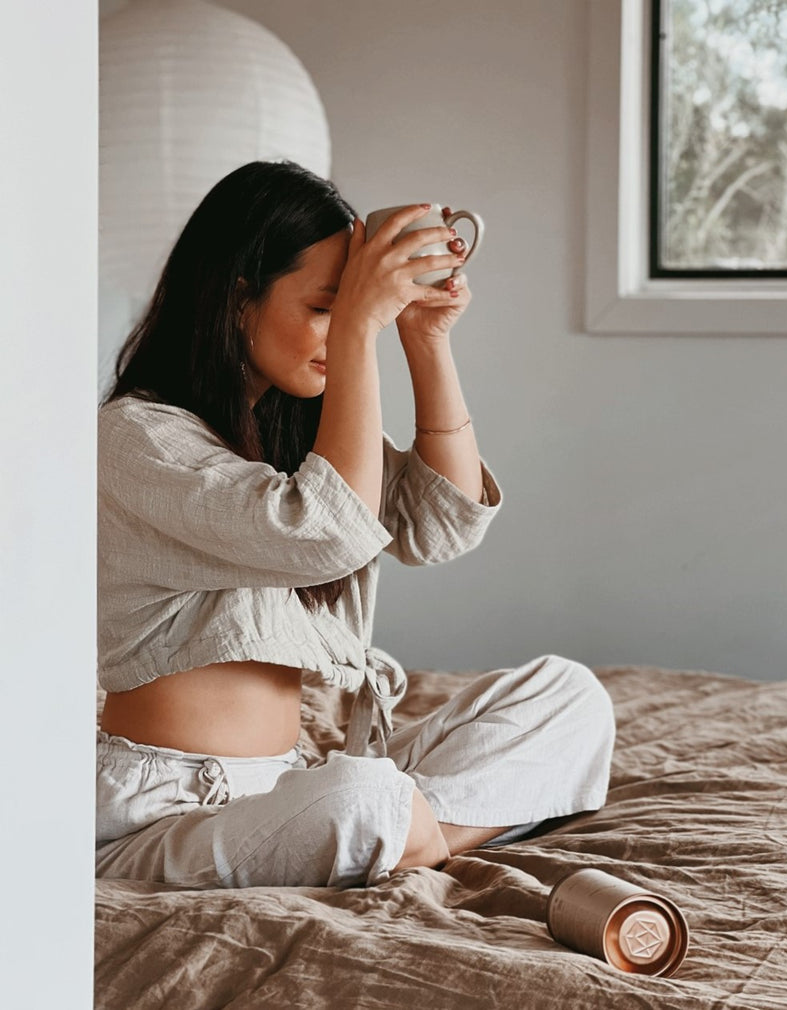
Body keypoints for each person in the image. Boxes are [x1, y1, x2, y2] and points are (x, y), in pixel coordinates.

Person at [95, 160, 615, 890]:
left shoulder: (292, 428)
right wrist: (363, 327)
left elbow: (443, 524)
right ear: (239, 298)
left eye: (352, 311)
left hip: (289, 786)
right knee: (363, 796)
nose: (341, 333)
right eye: (324, 307)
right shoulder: (135, 437)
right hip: (164, 813)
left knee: (569, 698)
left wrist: (424, 337)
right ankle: (404, 829)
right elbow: (324, 534)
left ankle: (406, 833)